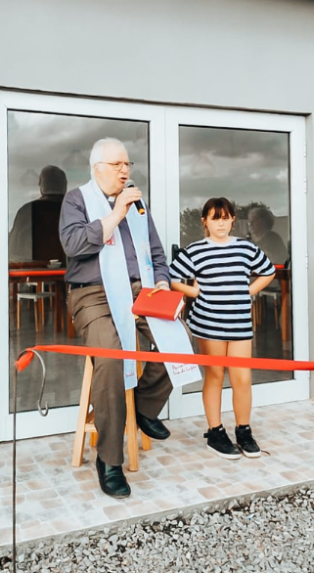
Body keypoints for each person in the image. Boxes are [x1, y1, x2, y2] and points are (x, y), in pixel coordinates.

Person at [60, 138, 198, 499]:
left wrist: (164, 284)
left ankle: (142, 406)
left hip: (142, 290)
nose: (125, 171)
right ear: (97, 168)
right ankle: (108, 460)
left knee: (180, 340)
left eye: (128, 165)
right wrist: (117, 211)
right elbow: (74, 246)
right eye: (118, 165)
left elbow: (155, 249)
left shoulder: (138, 204)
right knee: (109, 358)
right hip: (93, 294)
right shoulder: (77, 200)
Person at [170, 197, 276, 459]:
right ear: (204, 221)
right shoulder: (195, 250)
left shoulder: (245, 248)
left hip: (239, 323)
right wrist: (193, 291)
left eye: (226, 217)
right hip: (208, 324)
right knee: (215, 376)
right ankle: (215, 431)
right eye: (215, 217)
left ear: (232, 220)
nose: (222, 223)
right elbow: (172, 278)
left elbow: (268, 271)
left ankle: (243, 430)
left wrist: (248, 291)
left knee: (242, 378)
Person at [9, 165, 68, 262]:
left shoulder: (27, 212)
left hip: (34, 274)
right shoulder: (77, 210)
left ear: (41, 184)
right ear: (64, 186)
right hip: (74, 274)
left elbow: (13, 251)